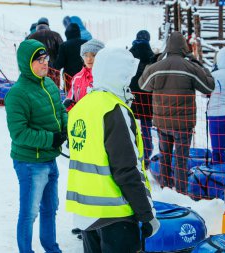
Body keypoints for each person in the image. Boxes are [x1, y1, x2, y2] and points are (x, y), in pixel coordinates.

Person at [66, 47, 159, 253]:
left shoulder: (80, 107)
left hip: (86, 214)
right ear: (117, 75)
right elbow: (126, 168)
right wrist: (146, 214)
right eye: (126, 76)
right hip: (115, 215)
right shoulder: (113, 109)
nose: (128, 82)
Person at [5, 39, 66, 253]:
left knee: (50, 208)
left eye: (45, 58)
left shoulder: (49, 84)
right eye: (38, 60)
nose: (44, 63)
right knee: (29, 213)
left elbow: (61, 111)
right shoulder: (17, 93)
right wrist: (51, 138)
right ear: (26, 63)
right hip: (30, 163)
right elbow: (19, 133)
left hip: (50, 158)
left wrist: (65, 129)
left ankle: (51, 247)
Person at [139, 31, 215, 194]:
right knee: (181, 160)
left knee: (165, 157)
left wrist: (156, 61)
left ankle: (166, 188)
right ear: (184, 47)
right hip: (183, 125)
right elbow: (209, 86)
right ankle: (181, 193)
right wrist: (197, 62)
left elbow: (143, 84)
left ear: (167, 46)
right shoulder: (190, 67)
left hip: (162, 123)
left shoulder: (157, 67)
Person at [129, 30, 155, 168]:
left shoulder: (129, 54)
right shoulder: (152, 55)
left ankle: (133, 154)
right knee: (146, 127)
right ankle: (147, 153)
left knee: (131, 126)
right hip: (147, 96)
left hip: (132, 96)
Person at [63, 39, 104, 111]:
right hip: (82, 119)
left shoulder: (105, 77)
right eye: (85, 55)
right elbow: (71, 100)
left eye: (93, 55)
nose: (88, 59)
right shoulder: (77, 78)